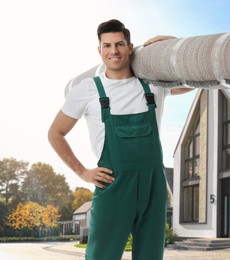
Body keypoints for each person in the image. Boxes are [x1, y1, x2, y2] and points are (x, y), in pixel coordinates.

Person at [48, 19, 192, 260]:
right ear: (100, 50)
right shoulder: (87, 90)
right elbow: (55, 133)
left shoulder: (153, 84)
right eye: (107, 46)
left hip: (152, 185)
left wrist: (171, 44)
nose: (113, 51)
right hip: (113, 184)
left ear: (130, 47)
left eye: (119, 44)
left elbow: (192, 80)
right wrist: (83, 172)